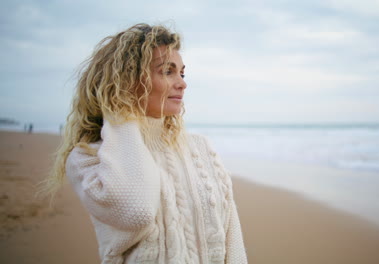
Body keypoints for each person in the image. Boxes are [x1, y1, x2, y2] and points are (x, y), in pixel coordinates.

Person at [37, 23, 248, 264]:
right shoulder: (87, 158)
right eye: (167, 71)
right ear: (128, 80)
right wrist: (120, 111)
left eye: (181, 73)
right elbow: (138, 212)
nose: (182, 83)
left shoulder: (201, 148)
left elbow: (233, 242)